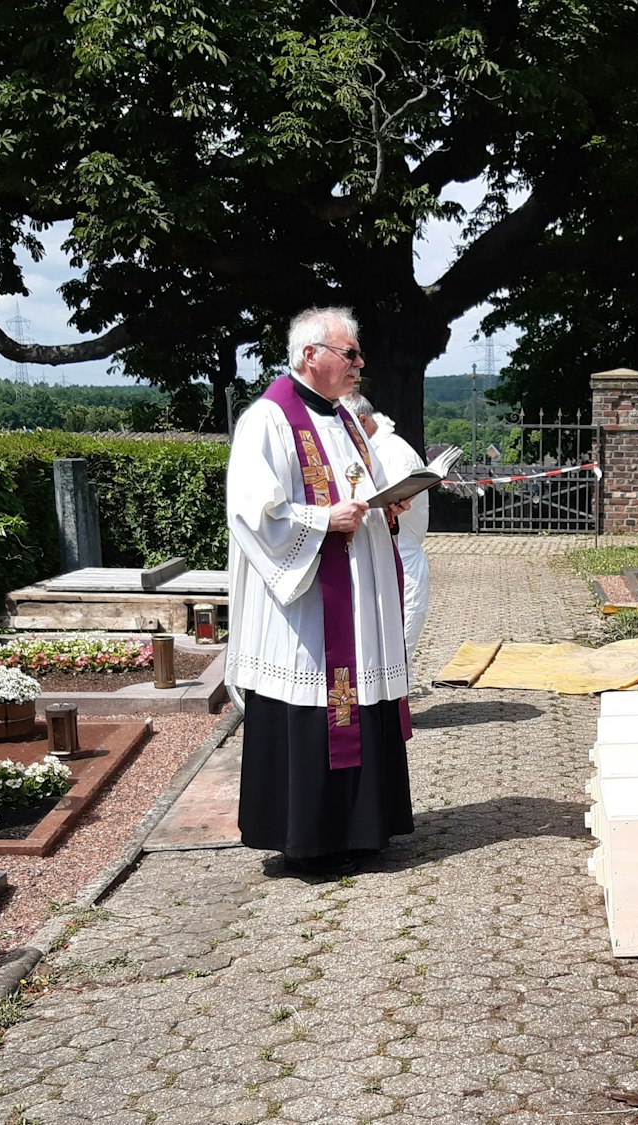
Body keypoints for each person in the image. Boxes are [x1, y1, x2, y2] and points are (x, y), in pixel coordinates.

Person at [225, 307, 413, 877]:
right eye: (350, 354)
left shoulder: (348, 419)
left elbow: (365, 488)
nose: (360, 364)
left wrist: (391, 501)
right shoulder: (268, 419)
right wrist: (321, 521)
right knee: (317, 699)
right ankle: (309, 839)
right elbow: (253, 511)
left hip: (359, 594)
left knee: (360, 696)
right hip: (307, 604)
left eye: (357, 355)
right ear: (312, 355)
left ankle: (362, 829)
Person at [341, 393, 430, 664]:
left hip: (401, 558)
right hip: (377, 561)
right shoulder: (371, 449)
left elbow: (390, 508)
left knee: (396, 654)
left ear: (363, 421)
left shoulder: (394, 454)